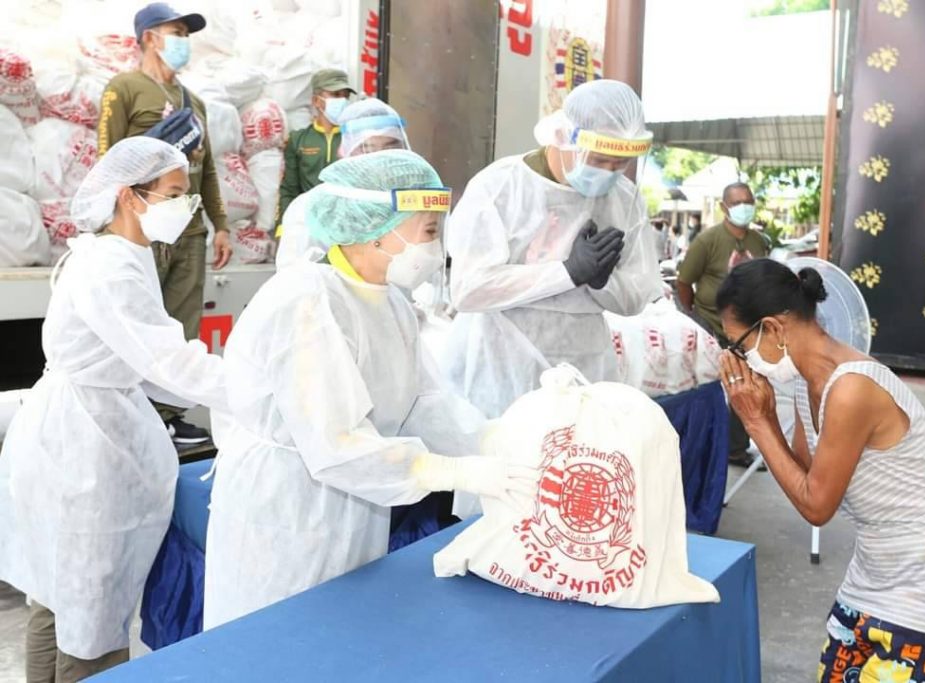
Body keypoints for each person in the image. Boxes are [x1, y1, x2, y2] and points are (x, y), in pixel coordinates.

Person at [203, 150, 535, 629]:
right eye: (429, 231)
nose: (435, 248)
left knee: (344, 633)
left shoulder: (391, 303)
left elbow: (422, 403)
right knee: (278, 636)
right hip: (286, 506)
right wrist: (449, 470)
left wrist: (495, 440)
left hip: (356, 502)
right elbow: (336, 442)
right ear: (379, 229)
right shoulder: (306, 301)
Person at [0, 138, 228, 682]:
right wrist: (256, 388)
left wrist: (215, 389)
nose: (185, 206)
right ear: (129, 195)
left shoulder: (126, 254)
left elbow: (145, 363)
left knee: (59, 598)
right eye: (174, 193)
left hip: (81, 428)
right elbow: (166, 358)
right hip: (85, 447)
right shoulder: (111, 268)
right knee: (91, 611)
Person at [717, 259, 925, 682]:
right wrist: (767, 416)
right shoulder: (807, 383)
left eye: (739, 347)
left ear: (772, 329)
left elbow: (817, 506)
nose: (742, 361)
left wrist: (755, 424)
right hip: (878, 570)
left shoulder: (851, 388)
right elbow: (803, 477)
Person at [444, 79, 662, 420]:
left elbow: (636, 297)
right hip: (500, 364)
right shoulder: (502, 186)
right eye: (599, 159)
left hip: (584, 365)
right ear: (562, 137)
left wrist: (603, 283)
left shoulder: (624, 199)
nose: (608, 173)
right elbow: (469, 289)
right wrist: (567, 272)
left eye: (619, 164)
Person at [97, 1, 232, 445]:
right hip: (145, 225)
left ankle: (167, 416)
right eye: (176, 33)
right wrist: (114, 221)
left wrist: (221, 224)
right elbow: (107, 160)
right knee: (140, 322)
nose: (183, 42)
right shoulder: (125, 88)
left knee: (182, 324)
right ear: (149, 38)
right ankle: (131, 413)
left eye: (186, 35)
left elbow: (207, 169)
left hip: (187, 229)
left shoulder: (195, 103)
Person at [676, 181, 768, 467]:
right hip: (710, 325)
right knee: (706, 390)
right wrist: (694, 316)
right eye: (738, 202)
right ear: (724, 207)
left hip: (746, 331)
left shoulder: (759, 242)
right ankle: (700, 449)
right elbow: (684, 282)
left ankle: (736, 449)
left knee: (745, 386)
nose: (744, 207)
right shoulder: (708, 241)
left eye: (748, 201)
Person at [275, 97, 410, 269]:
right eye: (367, 149)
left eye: (391, 148)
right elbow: (292, 273)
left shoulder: (413, 201)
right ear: (344, 152)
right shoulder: (313, 207)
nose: (380, 159)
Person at [275, 69, 357, 233]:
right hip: (309, 225)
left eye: (346, 96)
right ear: (316, 101)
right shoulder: (299, 140)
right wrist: (284, 228)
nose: (342, 101)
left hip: (348, 226)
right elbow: (289, 189)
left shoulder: (356, 138)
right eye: (335, 95)